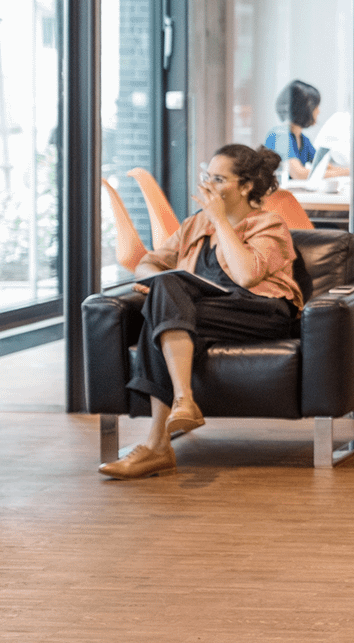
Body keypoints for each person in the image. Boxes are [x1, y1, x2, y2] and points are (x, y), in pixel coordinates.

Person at [99, 144, 304, 480]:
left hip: (259, 312)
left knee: (160, 313)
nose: (208, 186)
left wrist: (220, 220)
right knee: (163, 300)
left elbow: (247, 275)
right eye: (207, 177)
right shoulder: (195, 224)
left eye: (219, 179)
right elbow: (148, 263)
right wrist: (158, 282)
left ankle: (159, 443)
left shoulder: (269, 224)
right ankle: (180, 407)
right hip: (207, 312)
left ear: (245, 186)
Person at [265, 80, 332, 178]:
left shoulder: (303, 139)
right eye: (315, 106)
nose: (318, 111)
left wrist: (351, 171)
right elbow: (299, 174)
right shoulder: (279, 136)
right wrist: (349, 172)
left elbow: (325, 167)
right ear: (303, 108)